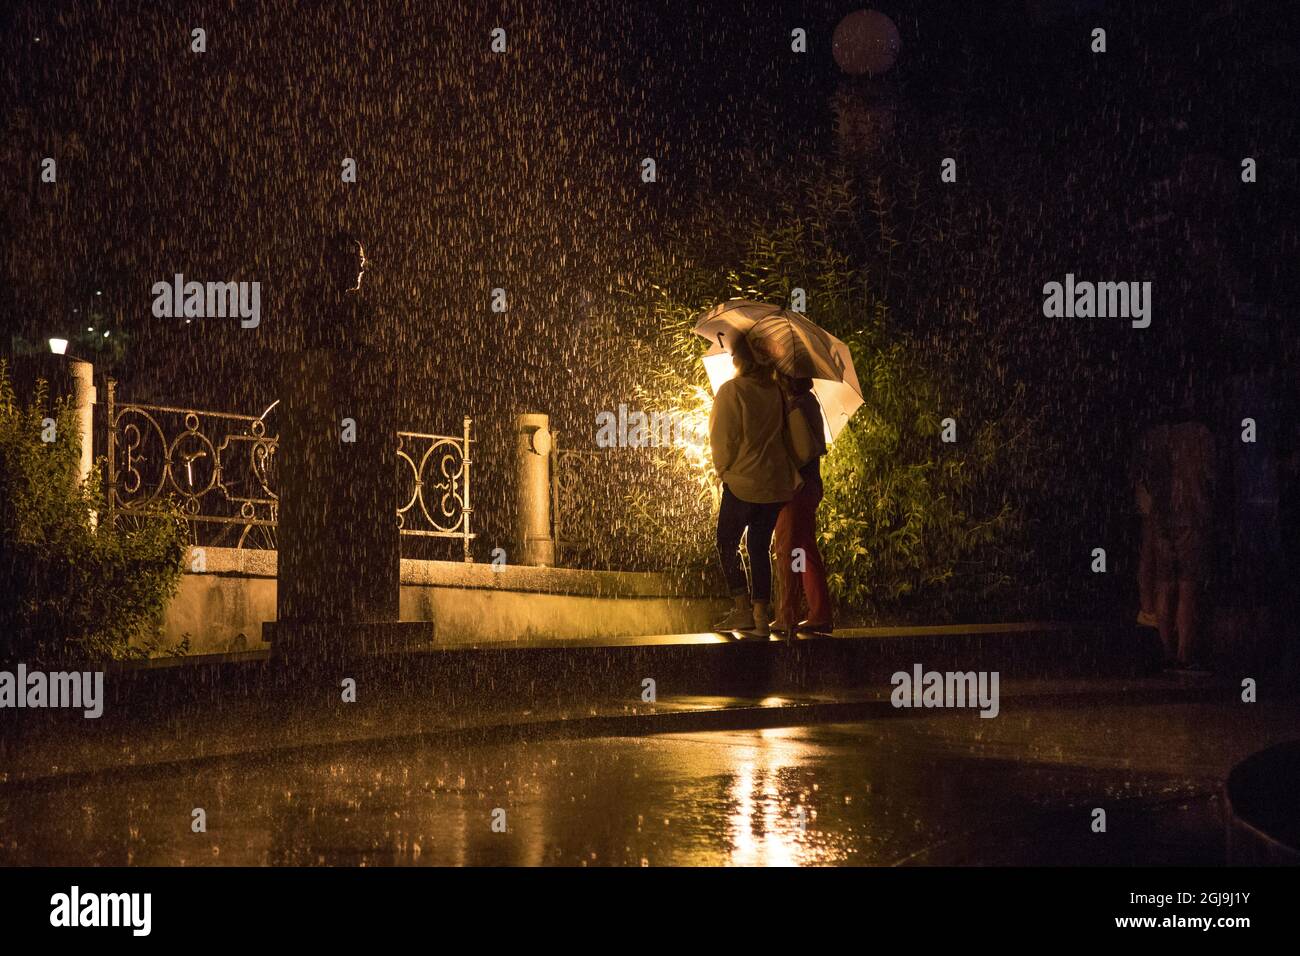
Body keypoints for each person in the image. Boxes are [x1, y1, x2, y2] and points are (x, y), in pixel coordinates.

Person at [710, 336, 799, 637]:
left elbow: (724, 437)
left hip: (743, 482)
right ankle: (762, 615)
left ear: (741, 359)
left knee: (726, 542)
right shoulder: (776, 391)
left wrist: (723, 470)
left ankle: (741, 608)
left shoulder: (731, 391)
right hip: (774, 484)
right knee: (759, 547)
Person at [1150, 386, 1216, 670]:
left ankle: (1164, 649)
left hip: (1162, 518)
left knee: (1164, 583)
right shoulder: (1201, 435)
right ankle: (1183, 654)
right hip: (1191, 515)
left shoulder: (1156, 436)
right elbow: (1212, 475)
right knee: (1188, 585)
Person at [773, 376, 833, 635]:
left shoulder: (796, 404)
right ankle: (819, 613)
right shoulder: (809, 402)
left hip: (795, 486)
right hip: (808, 484)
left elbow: (800, 449)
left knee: (787, 548)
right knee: (804, 548)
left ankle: (788, 615)